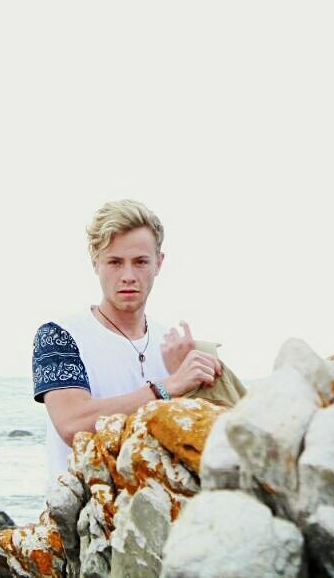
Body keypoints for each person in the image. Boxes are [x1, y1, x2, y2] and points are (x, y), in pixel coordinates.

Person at [31, 199, 231, 482]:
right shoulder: (59, 335)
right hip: (88, 518)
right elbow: (72, 425)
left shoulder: (173, 343)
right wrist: (168, 387)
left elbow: (209, 446)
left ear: (159, 263)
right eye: (114, 262)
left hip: (160, 515)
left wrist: (189, 388)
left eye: (140, 262)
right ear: (95, 263)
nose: (128, 276)